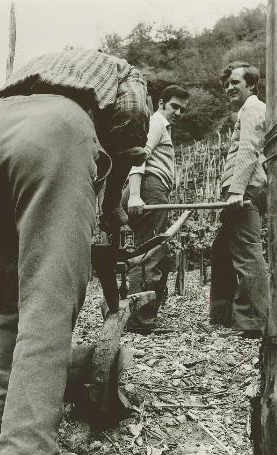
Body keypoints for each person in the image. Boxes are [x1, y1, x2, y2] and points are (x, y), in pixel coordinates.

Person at [0, 48, 149, 455]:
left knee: (11, 294)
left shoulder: (53, 62)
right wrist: (112, 203)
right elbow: (130, 135)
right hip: (54, 134)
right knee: (49, 303)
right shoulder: (126, 74)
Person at [209, 61, 268, 337]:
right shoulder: (247, 110)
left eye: (235, 82)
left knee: (246, 252)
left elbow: (249, 149)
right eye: (227, 84)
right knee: (222, 249)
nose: (229, 88)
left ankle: (254, 321)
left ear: (251, 84)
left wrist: (236, 190)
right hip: (238, 189)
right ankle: (224, 314)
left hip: (242, 190)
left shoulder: (254, 108)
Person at [125, 85, 190, 332]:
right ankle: (140, 321)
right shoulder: (156, 123)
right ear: (161, 103)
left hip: (156, 188)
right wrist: (134, 195)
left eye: (183, 109)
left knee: (153, 249)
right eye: (175, 106)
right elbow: (139, 157)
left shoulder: (163, 126)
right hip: (149, 187)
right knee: (150, 251)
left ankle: (140, 317)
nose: (179, 112)